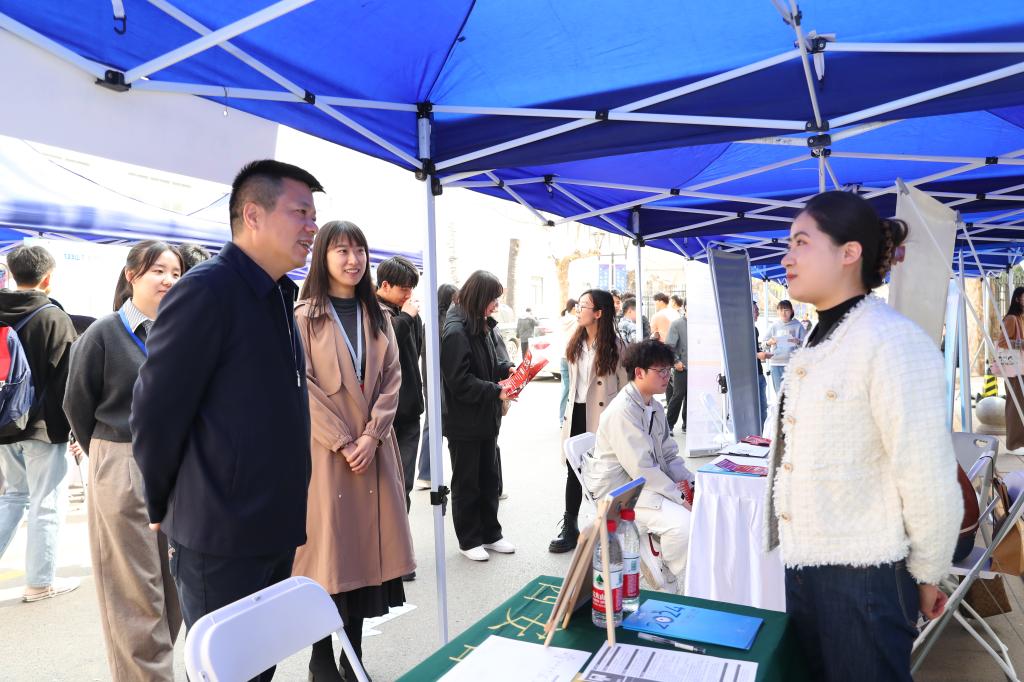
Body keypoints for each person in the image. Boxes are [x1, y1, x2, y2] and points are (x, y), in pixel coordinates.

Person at [131, 160, 323, 682]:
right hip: (220, 534)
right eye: (300, 212)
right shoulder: (207, 291)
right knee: (226, 672)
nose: (312, 227)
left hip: (273, 526)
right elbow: (155, 411)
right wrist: (160, 500)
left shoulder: (278, 293)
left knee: (259, 666)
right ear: (252, 215)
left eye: (313, 215)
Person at [766, 190, 962, 681]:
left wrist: (928, 572)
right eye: (789, 244)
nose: (787, 257)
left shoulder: (891, 340)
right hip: (808, 564)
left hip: (866, 576)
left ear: (848, 252)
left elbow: (928, 474)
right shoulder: (819, 338)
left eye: (801, 242)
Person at [292, 221, 414, 681]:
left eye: (359, 250)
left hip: (373, 451)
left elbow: (393, 379)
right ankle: (321, 657)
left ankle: (354, 654)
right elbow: (301, 385)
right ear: (322, 256)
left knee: (365, 556)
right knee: (326, 557)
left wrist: (371, 435)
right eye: (341, 250)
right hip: (326, 456)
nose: (352, 259)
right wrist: (345, 441)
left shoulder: (378, 315)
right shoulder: (303, 316)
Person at [64, 241, 184, 681]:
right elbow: (76, 404)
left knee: (174, 585)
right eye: (158, 270)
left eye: (176, 272)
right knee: (134, 591)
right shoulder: (104, 333)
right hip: (121, 458)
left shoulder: (180, 332)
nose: (169, 280)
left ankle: (154, 669)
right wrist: (106, 456)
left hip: (177, 464)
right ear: (132, 275)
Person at [0, 245, 78, 603]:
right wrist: (75, 430)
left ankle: (39, 579)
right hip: (44, 429)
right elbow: (69, 382)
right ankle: (40, 582)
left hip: (4, 423)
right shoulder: (53, 318)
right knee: (46, 502)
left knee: (13, 497)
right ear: (47, 278)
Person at [585, 339, 694, 583]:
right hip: (620, 492)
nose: (667, 376)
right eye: (660, 370)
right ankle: (666, 569)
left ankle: (663, 554)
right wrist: (680, 497)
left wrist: (692, 483)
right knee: (684, 526)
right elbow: (642, 469)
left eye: (668, 369)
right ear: (639, 372)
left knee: (696, 510)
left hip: (644, 484)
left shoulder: (653, 405)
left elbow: (669, 455)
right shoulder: (623, 411)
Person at [440, 271, 515, 561]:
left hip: (485, 418)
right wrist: (496, 390)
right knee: (467, 482)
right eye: (493, 299)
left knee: (489, 478)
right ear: (479, 297)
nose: (496, 305)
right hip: (464, 422)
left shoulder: (480, 323)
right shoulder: (455, 331)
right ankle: (469, 539)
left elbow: (489, 363)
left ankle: (491, 533)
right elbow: (459, 381)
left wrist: (507, 370)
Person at [550, 289, 628, 553]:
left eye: (583, 306)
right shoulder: (575, 341)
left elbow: (625, 388)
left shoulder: (616, 347)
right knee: (573, 470)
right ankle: (569, 527)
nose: (578, 310)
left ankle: (609, 527)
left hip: (603, 417)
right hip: (576, 413)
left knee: (604, 472)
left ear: (598, 313)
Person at [375, 257, 424, 516]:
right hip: (384, 415)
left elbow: (416, 352)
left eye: (411, 288)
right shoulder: (371, 310)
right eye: (404, 289)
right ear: (385, 285)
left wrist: (409, 317)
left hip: (410, 408)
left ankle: (401, 537)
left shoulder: (409, 313)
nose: (409, 294)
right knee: (386, 486)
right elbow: (383, 348)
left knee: (404, 483)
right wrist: (406, 317)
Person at [415, 283, 458, 491]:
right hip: (444, 382)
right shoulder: (448, 323)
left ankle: (426, 474)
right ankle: (430, 473)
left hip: (430, 381)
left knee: (431, 425)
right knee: (447, 426)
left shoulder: (429, 322)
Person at [999, 286, 1024, 451]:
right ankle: (1014, 444)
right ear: (1017, 299)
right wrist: (1022, 343)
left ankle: (1019, 442)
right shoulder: (1011, 319)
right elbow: (1002, 342)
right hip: (1014, 370)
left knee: (1020, 405)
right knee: (1015, 406)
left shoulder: (1020, 318)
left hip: (1020, 368)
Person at [764, 299, 806, 397]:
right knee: (779, 395)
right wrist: (769, 342)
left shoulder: (798, 325)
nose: (783, 313)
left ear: (791, 311)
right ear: (777, 311)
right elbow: (763, 344)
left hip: (792, 364)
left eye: (786, 310)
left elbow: (807, 345)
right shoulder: (774, 326)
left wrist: (798, 341)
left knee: (792, 395)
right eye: (781, 310)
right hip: (776, 364)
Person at [665, 300, 688, 434]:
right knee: (678, 395)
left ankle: (687, 424)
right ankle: (669, 425)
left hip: (698, 367)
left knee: (692, 397)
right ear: (685, 307)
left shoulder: (700, 325)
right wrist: (676, 362)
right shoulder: (677, 324)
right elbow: (669, 346)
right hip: (682, 367)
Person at [558, 298, 578, 425]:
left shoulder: (561, 320)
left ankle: (562, 419)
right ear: (575, 308)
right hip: (573, 357)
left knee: (565, 388)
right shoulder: (576, 321)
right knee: (575, 389)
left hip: (563, 357)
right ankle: (570, 418)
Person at [753, 301, 770, 430]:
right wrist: (757, 355)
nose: (758, 313)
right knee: (757, 410)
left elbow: (755, 349)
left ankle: (760, 435)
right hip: (749, 377)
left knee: (763, 409)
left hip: (759, 374)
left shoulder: (755, 329)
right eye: (756, 310)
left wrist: (762, 353)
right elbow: (738, 352)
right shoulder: (740, 330)